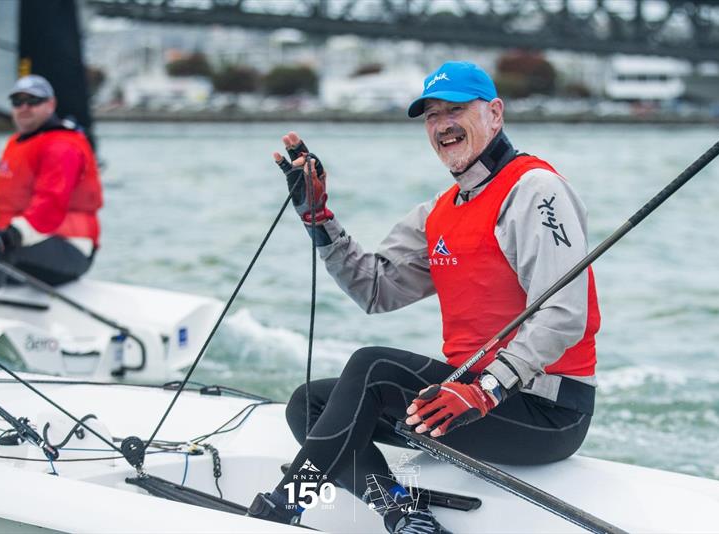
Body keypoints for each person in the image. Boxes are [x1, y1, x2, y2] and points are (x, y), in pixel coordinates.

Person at [247, 61, 601, 533]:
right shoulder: (438, 212)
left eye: (456, 109)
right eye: (432, 116)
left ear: (494, 114)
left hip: (545, 413)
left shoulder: (534, 190)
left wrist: (486, 388)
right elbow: (376, 289)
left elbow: (563, 313)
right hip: (464, 399)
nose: (442, 125)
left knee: (373, 367)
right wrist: (318, 218)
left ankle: (283, 508)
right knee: (307, 404)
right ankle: (402, 511)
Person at [0, 74, 102, 313]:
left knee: (3, 252)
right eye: (17, 101)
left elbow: (50, 205)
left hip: (70, 250)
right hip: (22, 241)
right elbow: (2, 195)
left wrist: (9, 236)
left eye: (33, 101)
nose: (24, 107)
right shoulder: (16, 142)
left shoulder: (63, 145)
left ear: (51, 105)